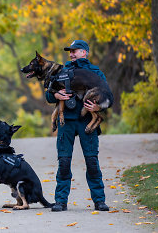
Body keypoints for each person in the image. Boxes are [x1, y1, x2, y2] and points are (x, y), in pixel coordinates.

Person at [46, 40, 112, 212]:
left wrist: (98, 107)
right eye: (70, 51)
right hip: (66, 121)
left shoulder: (95, 72)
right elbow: (49, 95)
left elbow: (109, 97)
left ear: (85, 52)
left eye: (75, 51)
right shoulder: (62, 71)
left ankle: (99, 201)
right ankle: (60, 201)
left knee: (91, 161)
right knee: (64, 162)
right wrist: (56, 96)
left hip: (86, 122)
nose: (71, 54)